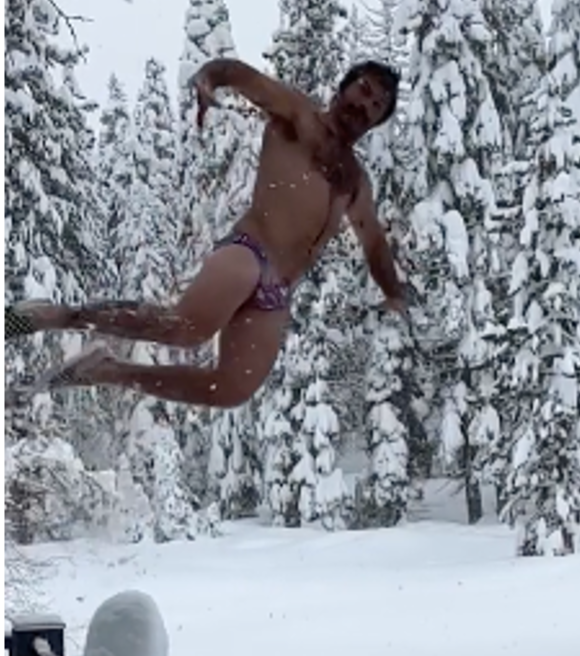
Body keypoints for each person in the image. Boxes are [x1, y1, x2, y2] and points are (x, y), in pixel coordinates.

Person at [5, 56, 409, 409]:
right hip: (250, 251)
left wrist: (394, 294)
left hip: (277, 291)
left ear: (377, 121)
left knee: (229, 390)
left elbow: (373, 243)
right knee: (185, 329)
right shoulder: (298, 114)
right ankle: (58, 316)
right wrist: (208, 79)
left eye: (377, 105)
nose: (365, 105)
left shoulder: (355, 182)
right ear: (345, 87)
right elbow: (240, 75)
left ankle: (104, 371)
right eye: (364, 89)